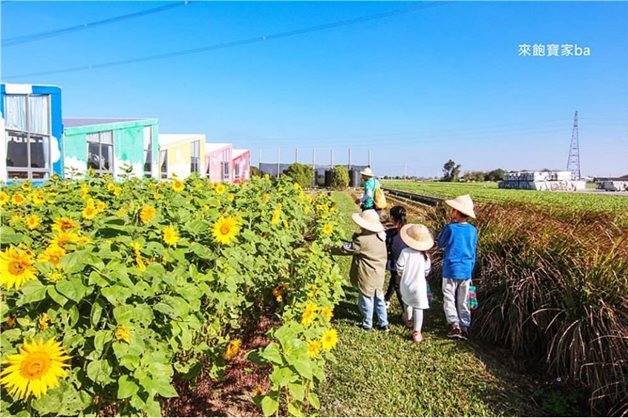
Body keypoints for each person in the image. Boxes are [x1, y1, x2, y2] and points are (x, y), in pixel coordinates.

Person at [335, 209, 389, 331]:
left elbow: (346, 249)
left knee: (366, 300)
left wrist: (330, 249)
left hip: (367, 275)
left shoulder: (362, 240)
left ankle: (367, 324)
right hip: (379, 274)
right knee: (379, 299)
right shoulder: (380, 236)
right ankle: (384, 323)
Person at [436, 194, 478, 340]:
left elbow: (440, 243)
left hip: (451, 268)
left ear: (456, 212)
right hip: (466, 269)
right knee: (463, 299)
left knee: (449, 297)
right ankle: (465, 326)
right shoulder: (473, 230)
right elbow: (473, 251)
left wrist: (446, 227)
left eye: (452, 209)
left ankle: (454, 325)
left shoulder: (450, 228)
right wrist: (471, 270)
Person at [396, 224, 434, 343]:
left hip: (406, 283)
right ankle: (417, 331)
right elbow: (426, 272)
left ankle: (408, 319)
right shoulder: (425, 256)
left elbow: (399, 267)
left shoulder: (405, 252)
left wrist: (401, 273)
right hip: (419, 286)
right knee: (418, 307)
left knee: (407, 302)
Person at [384, 206, 408, 310]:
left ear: (393, 218)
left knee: (397, 285)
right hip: (407, 261)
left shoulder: (391, 233)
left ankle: (406, 312)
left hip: (396, 262)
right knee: (394, 281)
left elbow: (386, 246)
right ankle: (386, 299)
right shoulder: (408, 231)